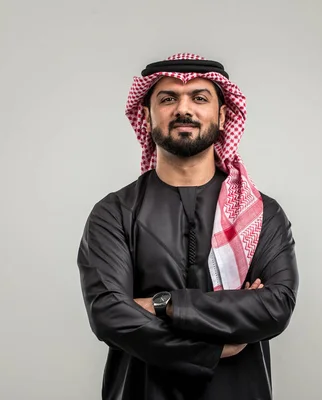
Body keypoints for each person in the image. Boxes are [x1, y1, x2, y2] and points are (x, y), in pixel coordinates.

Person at [76, 53, 299, 400]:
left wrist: (161, 304)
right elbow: (108, 314)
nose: (184, 109)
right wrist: (212, 349)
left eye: (199, 97)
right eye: (168, 98)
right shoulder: (114, 213)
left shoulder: (261, 213)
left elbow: (274, 307)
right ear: (147, 114)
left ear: (223, 115)